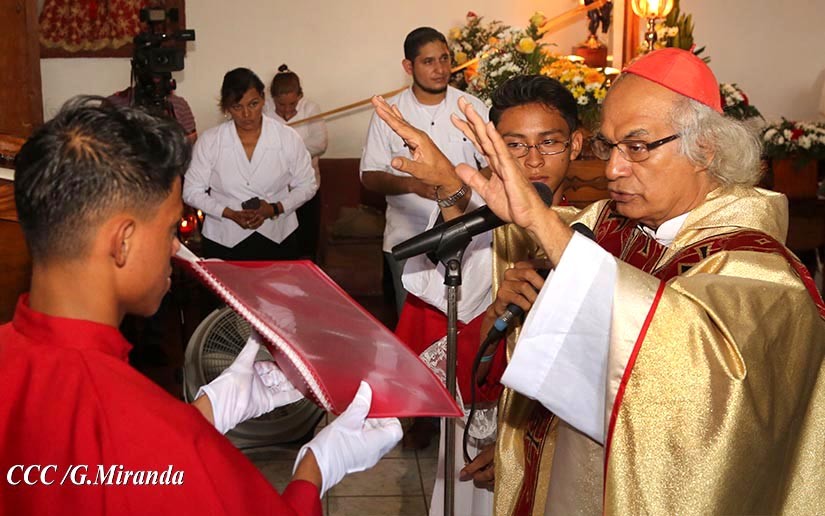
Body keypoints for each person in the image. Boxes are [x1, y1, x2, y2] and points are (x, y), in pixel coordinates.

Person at [444, 48, 825, 514]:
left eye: (638, 146)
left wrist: (541, 224)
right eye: (610, 146)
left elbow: (691, 373)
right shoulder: (611, 221)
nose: (613, 169)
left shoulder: (760, 271)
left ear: (704, 148)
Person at [0, 96, 402, 515]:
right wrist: (316, 467)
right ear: (122, 241)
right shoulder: (171, 444)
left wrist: (206, 412)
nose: (177, 247)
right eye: (172, 227)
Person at [372, 74, 584, 516]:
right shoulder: (477, 217)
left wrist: (523, 447)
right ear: (493, 150)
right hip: (481, 418)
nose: (533, 160)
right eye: (515, 145)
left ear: (576, 144)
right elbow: (454, 309)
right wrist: (450, 193)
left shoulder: (596, 224)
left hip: (561, 437)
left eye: (549, 143)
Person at [360, 26, 489, 314]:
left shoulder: (471, 107)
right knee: (411, 326)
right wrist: (413, 186)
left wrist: (467, 188)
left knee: (466, 321)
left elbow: (495, 165)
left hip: (469, 234)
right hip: (408, 236)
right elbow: (369, 175)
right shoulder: (389, 113)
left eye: (444, 59)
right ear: (409, 66)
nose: (441, 69)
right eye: (429, 61)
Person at [183, 67, 317, 261]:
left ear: (263, 99)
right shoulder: (210, 140)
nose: (247, 114)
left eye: (253, 104)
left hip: (278, 236)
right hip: (224, 238)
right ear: (226, 108)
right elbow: (191, 191)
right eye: (237, 107)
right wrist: (229, 213)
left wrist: (275, 208)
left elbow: (307, 184)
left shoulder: (287, 137)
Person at [264, 64, 328, 260]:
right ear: (272, 98)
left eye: (292, 104)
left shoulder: (311, 108)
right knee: (278, 249)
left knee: (306, 249)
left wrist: (286, 152)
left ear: (299, 96)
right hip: (274, 192)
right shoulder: (263, 110)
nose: (287, 109)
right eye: (281, 104)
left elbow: (320, 144)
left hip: (306, 191)